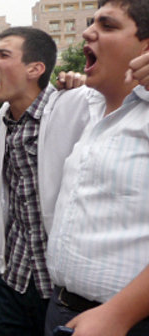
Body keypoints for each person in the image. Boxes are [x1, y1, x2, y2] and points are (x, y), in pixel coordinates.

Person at [44, 1, 149, 335]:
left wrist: (119, 314)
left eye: (108, 25)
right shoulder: (91, 108)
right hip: (61, 310)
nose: (88, 32)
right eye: (92, 23)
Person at [0, 26, 85, 336]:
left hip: (60, 291)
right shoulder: (5, 120)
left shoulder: (73, 107)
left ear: (35, 69)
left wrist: (83, 86)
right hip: (13, 280)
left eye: (3, 54)